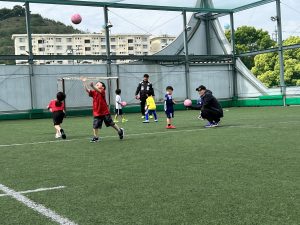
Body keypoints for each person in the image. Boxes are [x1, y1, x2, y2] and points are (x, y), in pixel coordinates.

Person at [81, 77, 124, 142]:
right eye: (96, 84)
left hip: (105, 112)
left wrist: (92, 86)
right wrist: (84, 82)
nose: (97, 84)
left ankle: (120, 131)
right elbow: (87, 90)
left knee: (111, 123)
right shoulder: (93, 92)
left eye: (99, 84)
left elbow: (99, 90)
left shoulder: (102, 91)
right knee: (95, 125)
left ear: (103, 87)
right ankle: (96, 137)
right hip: (97, 112)